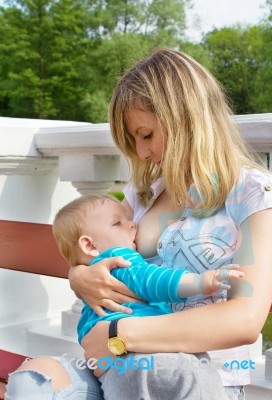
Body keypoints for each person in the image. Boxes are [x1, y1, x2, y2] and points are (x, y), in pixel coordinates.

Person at [5, 47, 272, 400]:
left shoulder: (250, 195)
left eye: (146, 135)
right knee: (32, 382)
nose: (142, 153)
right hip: (117, 367)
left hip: (195, 378)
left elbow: (244, 319)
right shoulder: (144, 192)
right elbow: (99, 247)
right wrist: (80, 275)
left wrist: (120, 333)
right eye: (134, 140)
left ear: (186, 119)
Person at [52, 193, 243, 393]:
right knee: (199, 370)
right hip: (142, 351)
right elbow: (152, 280)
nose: (132, 224)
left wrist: (77, 272)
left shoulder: (98, 271)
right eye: (118, 223)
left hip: (115, 357)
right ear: (89, 245)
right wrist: (200, 282)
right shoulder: (119, 258)